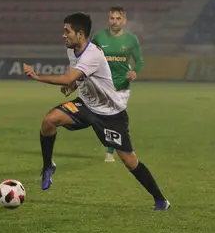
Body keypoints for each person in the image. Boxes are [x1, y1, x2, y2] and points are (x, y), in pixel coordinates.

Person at [23, 12, 170, 211]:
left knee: (129, 160)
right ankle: (48, 165)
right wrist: (73, 86)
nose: (63, 35)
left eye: (67, 31)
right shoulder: (72, 50)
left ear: (80, 34)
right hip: (85, 106)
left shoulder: (92, 53)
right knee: (50, 120)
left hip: (110, 114)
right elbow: (77, 77)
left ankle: (160, 200)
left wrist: (37, 77)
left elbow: (69, 77)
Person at [91, 6, 144, 163]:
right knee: (99, 118)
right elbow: (90, 56)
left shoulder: (131, 39)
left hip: (122, 86)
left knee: (115, 118)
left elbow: (139, 61)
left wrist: (135, 72)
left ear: (124, 20)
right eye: (112, 18)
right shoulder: (99, 37)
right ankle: (111, 146)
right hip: (101, 85)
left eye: (118, 18)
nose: (114, 21)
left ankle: (110, 151)